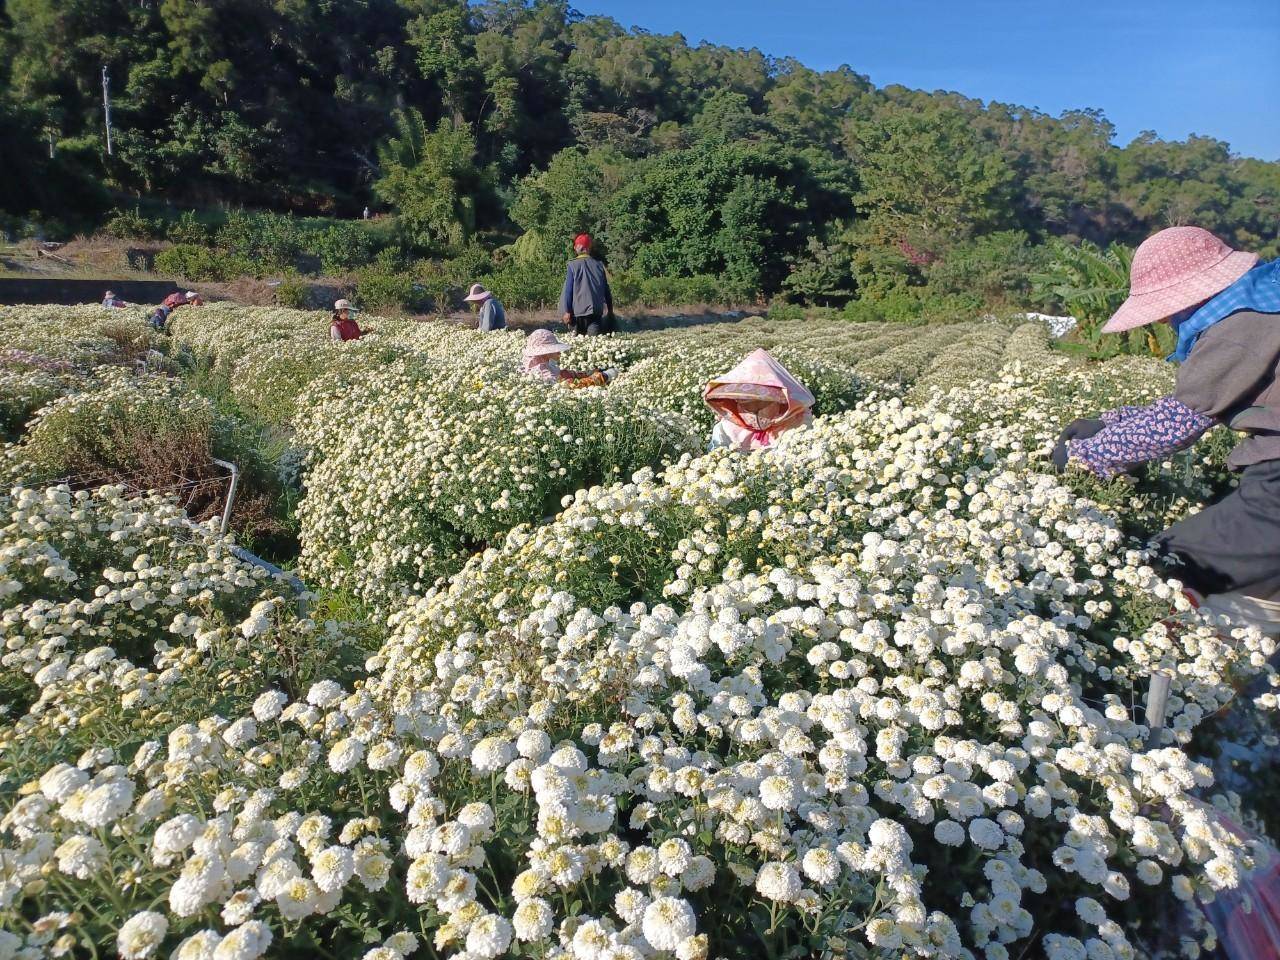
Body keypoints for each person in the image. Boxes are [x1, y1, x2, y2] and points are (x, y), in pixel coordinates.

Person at [1053, 225, 1280, 629]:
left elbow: (1177, 423)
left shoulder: (1241, 327)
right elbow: (1195, 404)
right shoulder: (1264, 301)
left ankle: (1191, 678)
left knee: (1167, 561)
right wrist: (1109, 421)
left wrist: (1086, 455)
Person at [704, 348, 814, 452]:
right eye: (746, 402)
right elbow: (716, 456)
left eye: (762, 402)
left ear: (780, 401)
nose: (754, 410)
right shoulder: (725, 429)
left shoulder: (798, 423)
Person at [559, 233, 615, 336]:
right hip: (595, 313)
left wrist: (567, 311)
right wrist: (610, 310)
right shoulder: (599, 265)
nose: (574, 248)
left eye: (576, 246)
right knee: (594, 345)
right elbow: (606, 290)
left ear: (580, 247)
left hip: (577, 314)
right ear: (589, 248)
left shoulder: (572, 265)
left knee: (576, 346)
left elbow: (568, 290)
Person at [521, 329, 616, 388]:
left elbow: (562, 375)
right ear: (545, 352)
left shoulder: (544, 363)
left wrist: (588, 373)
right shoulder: (540, 371)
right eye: (554, 349)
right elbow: (570, 386)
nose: (559, 352)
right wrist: (604, 376)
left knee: (565, 373)